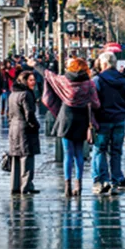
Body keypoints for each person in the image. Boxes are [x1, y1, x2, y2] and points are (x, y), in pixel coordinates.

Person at [42, 57, 100, 197]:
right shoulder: (89, 83)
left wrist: (36, 64)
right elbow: (96, 104)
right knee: (79, 153)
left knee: (67, 153)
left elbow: (48, 75)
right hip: (82, 119)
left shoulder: (64, 80)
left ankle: (67, 186)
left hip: (66, 119)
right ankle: (78, 185)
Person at [92, 51, 125, 194]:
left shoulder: (97, 80)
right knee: (116, 150)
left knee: (100, 149)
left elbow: (92, 102)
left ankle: (102, 179)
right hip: (119, 119)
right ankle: (116, 178)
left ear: (104, 64)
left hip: (102, 120)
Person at [8, 71, 41, 195]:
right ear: (25, 81)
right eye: (31, 80)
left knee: (16, 157)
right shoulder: (26, 94)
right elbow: (29, 114)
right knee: (27, 156)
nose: (34, 82)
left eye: (34, 80)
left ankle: (15, 185)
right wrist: (35, 125)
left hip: (14, 127)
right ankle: (26, 186)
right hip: (25, 129)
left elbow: (10, 113)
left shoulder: (13, 94)